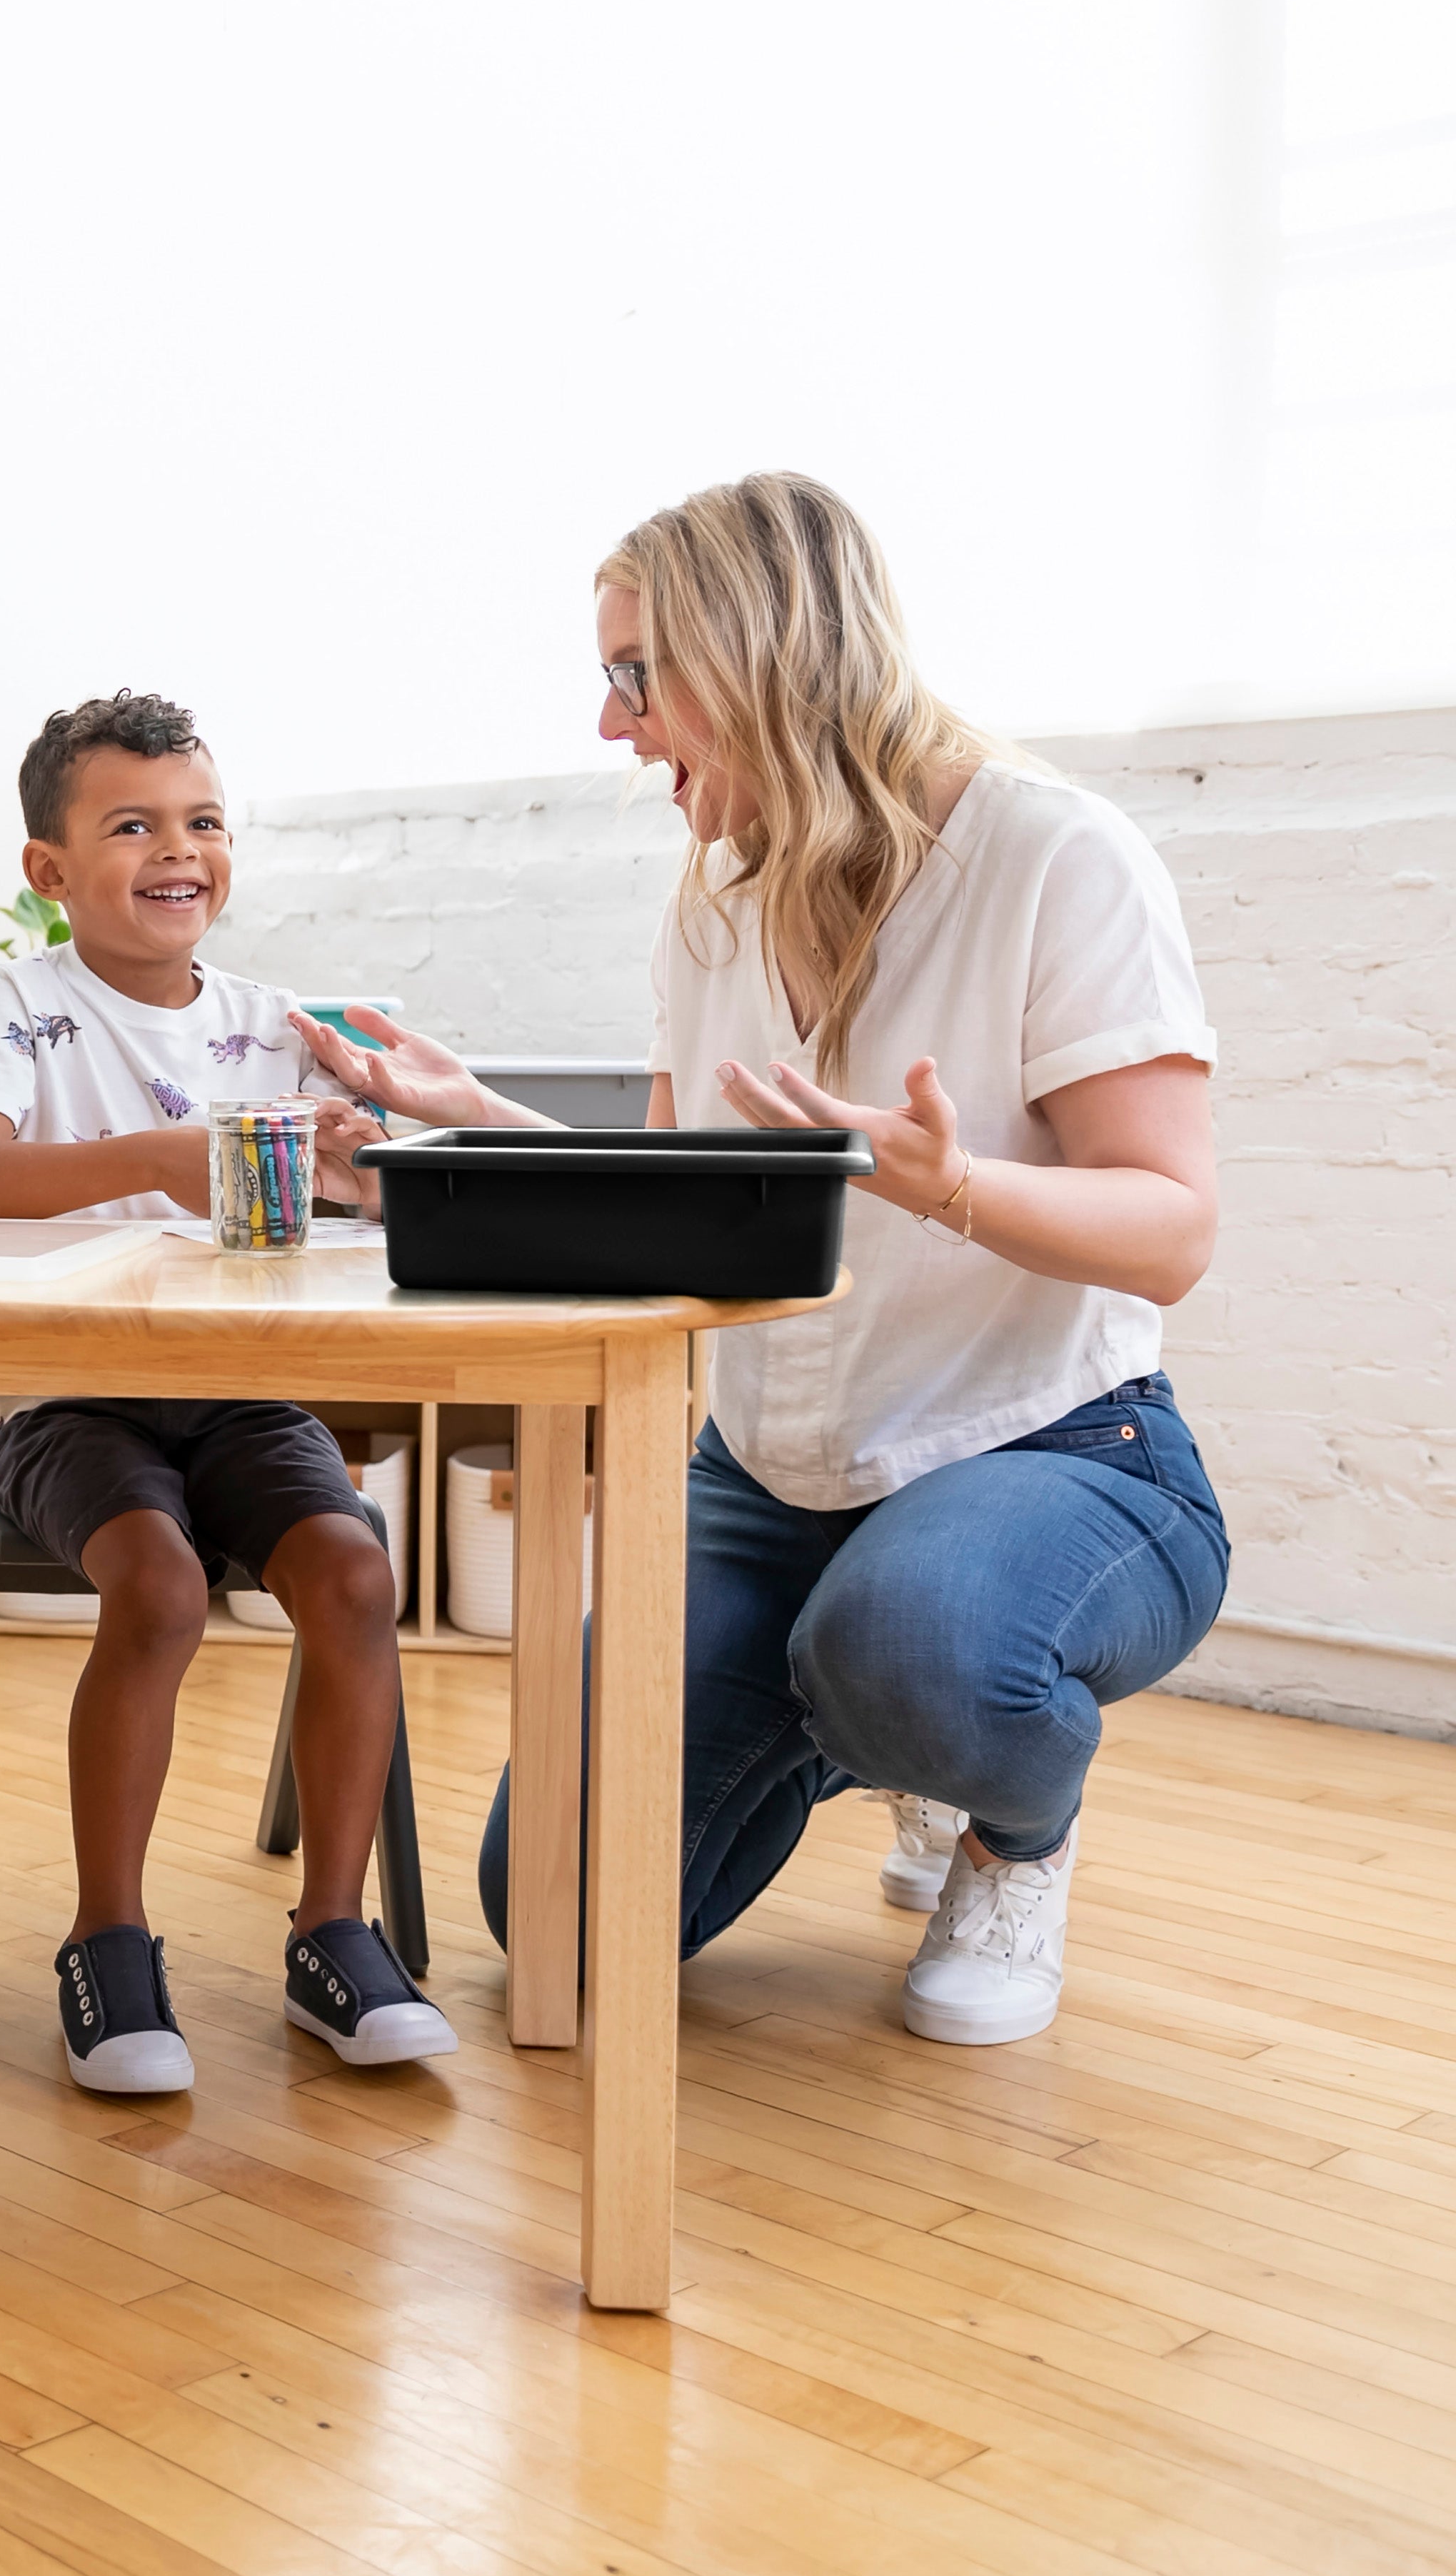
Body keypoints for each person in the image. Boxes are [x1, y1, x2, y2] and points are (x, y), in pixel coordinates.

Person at [296, 474, 1229, 2046]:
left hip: (1052, 1450)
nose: (611, 723)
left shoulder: (1054, 855)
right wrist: (472, 1126)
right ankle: (875, 1703)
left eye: (635, 673)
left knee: (915, 1645)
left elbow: (1174, 1230)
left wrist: (950, 1187)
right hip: (770, 1481)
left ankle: (1008, 1826)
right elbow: (679, 1202)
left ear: (761, 653)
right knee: (555, 1917)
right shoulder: (713, 899)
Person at [0, 689, 458, 2092]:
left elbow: (337, 1206)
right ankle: (105, 1938)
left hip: (238, 1394)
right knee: (158, 1588)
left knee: (353, 1574)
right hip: (64, 1397)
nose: (178, 850)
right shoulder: (21, 1003)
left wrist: (354, 1167)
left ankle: (332, 1930)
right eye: (132, 826)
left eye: (202, 820)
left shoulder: (272, 1024)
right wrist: (159, 1159)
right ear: (49, 868)